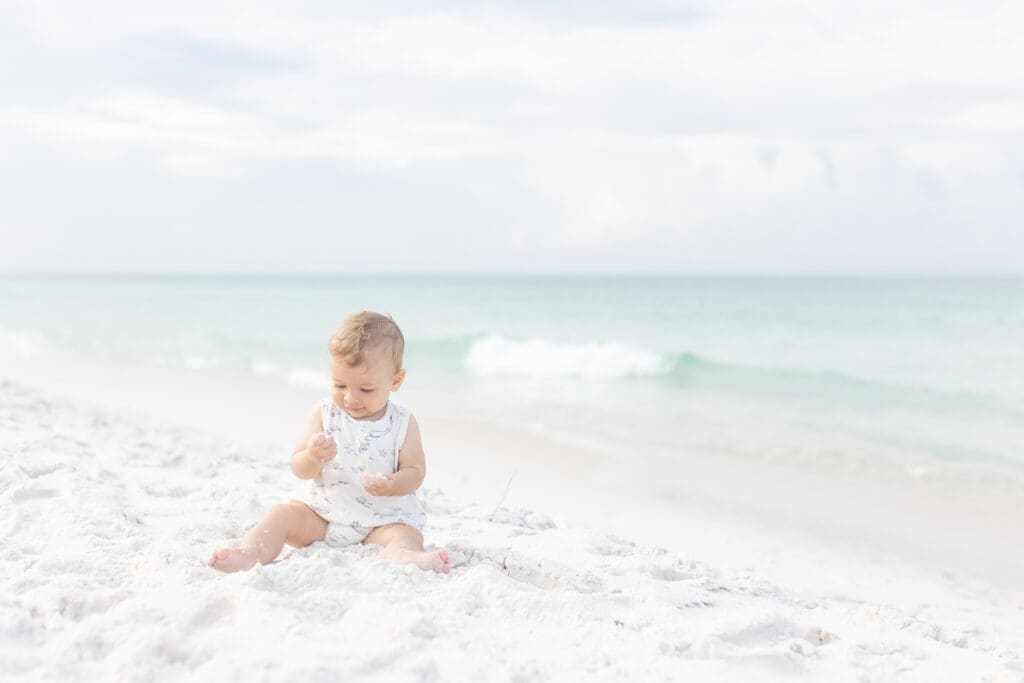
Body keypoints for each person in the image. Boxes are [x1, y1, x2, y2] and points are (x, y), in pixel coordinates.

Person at [208, 311, 450, 574]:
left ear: (395, 381)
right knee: (281, 515)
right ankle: (249, 553)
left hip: (382, 521)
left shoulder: (402, 421)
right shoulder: (323, 413)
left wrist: (393, 483)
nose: (350, 398)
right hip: (322, 516)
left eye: (365, 389)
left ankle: (405, 557)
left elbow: (415, 471)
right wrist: (312, 456)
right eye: (340, 385)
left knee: (405, 535)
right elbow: (299, 467)